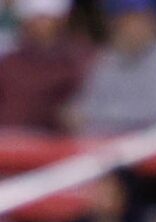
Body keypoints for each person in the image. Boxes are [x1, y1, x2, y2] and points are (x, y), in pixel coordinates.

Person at [69, 0, 156, 134]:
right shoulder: (106, 58)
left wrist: (97, 117)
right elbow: (85, 105)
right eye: (127, 19)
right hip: (109, 145)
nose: (135, 27)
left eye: (142, 19)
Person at [0, 0, 90, 133]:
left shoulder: (77, 60)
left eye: (47, 19)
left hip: (52, 141)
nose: (41, 25)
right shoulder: (9, 62)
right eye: (37, 18)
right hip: (8, 140)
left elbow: (77, 108)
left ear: (61, 21)